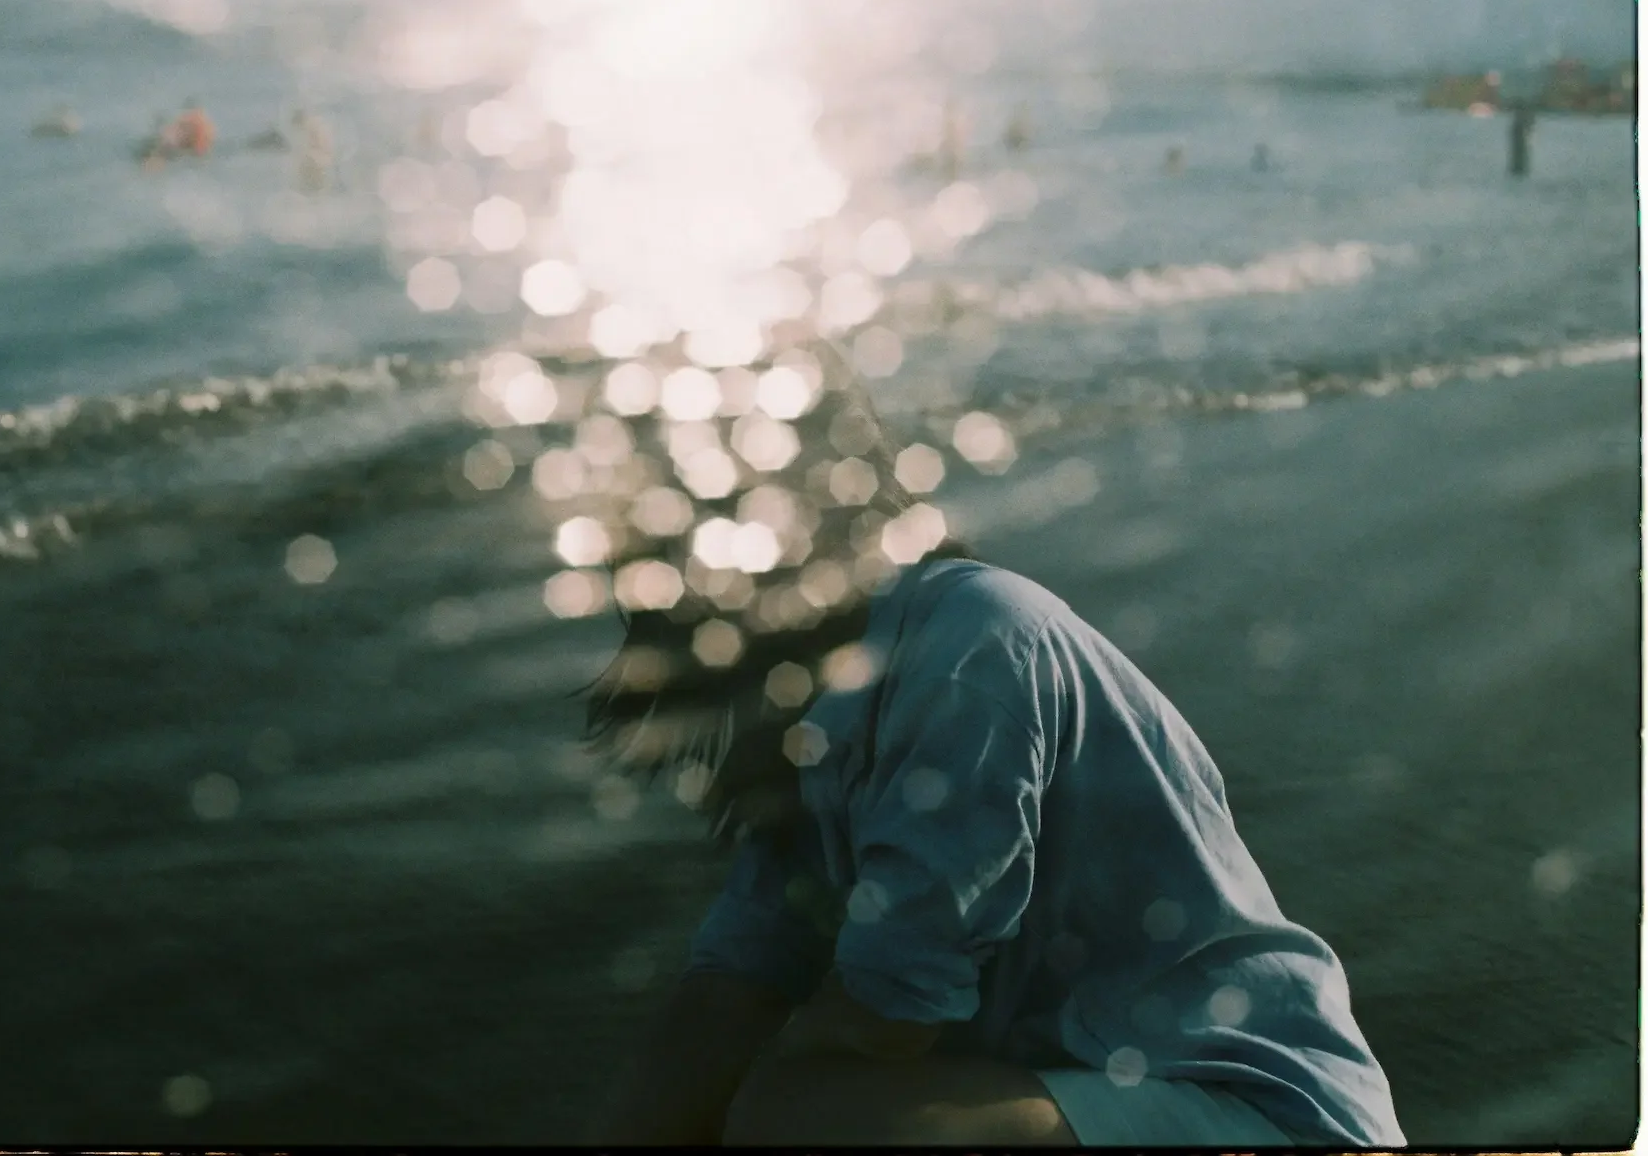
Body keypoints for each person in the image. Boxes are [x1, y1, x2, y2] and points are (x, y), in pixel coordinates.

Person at [586, 344, 1405, 1147]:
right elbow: (736, 981)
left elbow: (888, 1015)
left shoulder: (970, 651)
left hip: (1258, 1113)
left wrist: (736, 1106)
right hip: (1100, 1090)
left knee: (794, 1118)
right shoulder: (815, 704)